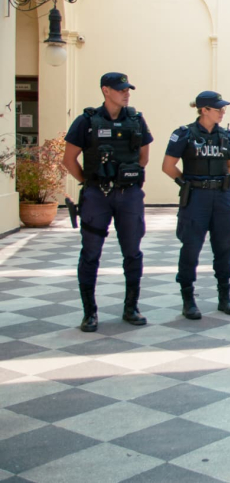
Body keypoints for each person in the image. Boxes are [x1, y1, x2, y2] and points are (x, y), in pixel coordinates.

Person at [62, 72, 153, 332]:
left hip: (129, 195)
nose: (126, 93)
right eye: (121, 89)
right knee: (90, 253)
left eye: (128, 89)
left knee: (132, 252)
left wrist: (124, 179)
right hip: (96, 196)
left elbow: (143, 156)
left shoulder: (136, 120)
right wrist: (90, 182)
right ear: (106, 91)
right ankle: (89, 313)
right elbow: (69, 159)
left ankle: (131, 308)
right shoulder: (87, 121)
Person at [162, 91, 230, 320]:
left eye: (223, 108)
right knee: (191, 247)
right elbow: (168, 166)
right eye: (218, 108)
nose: (222, 111)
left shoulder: (226, 136)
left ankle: (224, 296)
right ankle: (188, 298)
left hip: (222, 196)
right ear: (203, 110)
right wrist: (185, 183)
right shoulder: (184, 134)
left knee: (225, 246)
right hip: (196, 197)